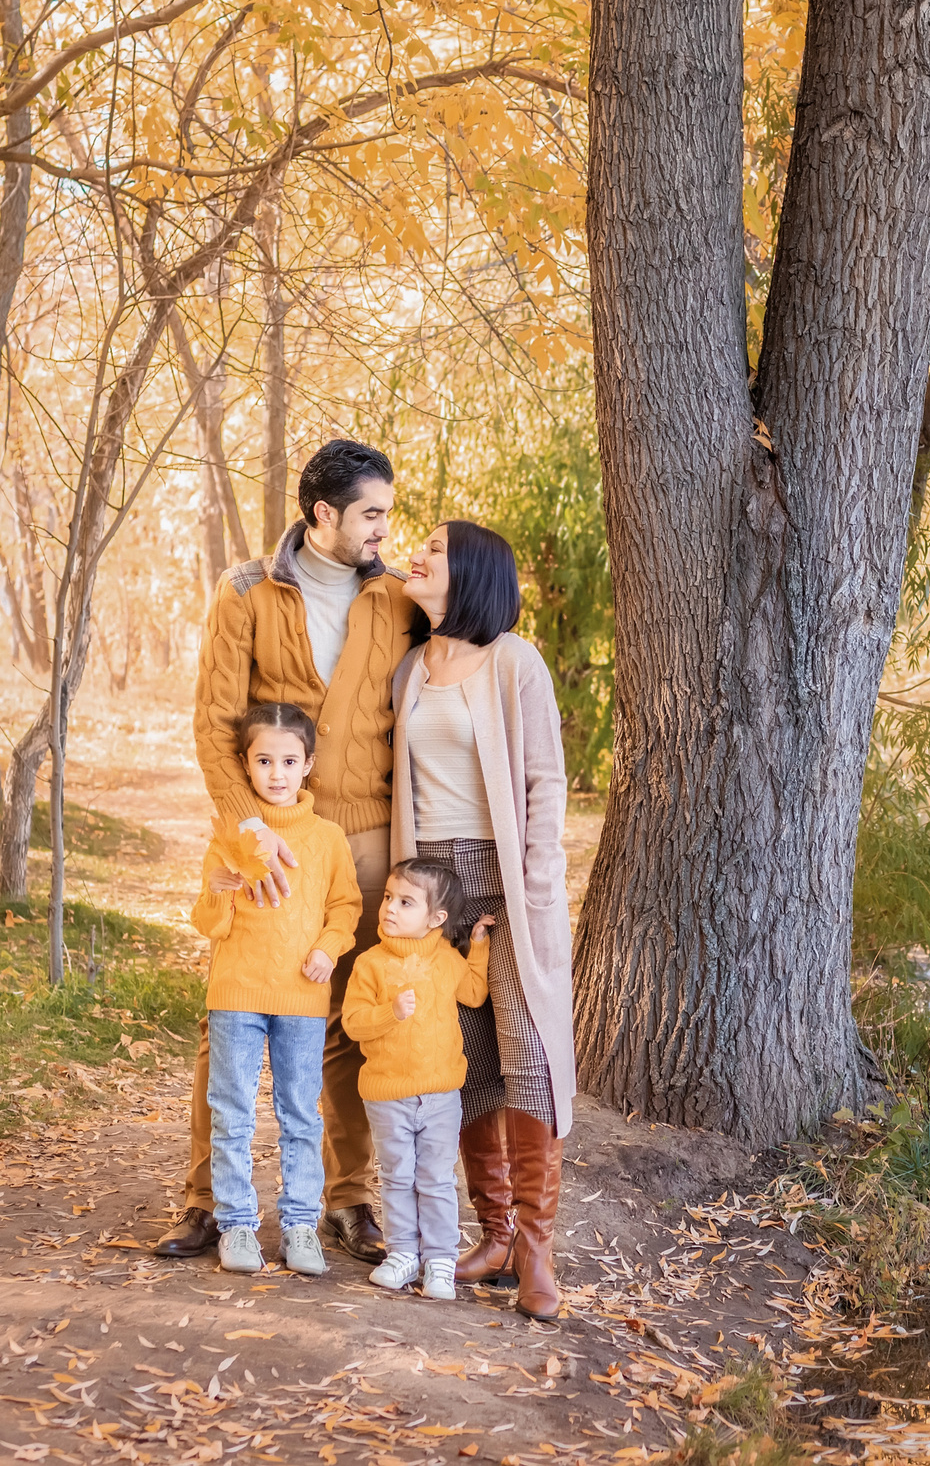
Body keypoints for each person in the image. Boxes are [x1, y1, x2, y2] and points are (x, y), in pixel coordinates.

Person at [158, 440, 413, 1266]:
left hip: (366, 837)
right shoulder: (246, 592)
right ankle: (206, 1201)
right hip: (267, 837)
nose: (384, 527)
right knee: (230, 1014)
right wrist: (248, 832)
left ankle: (348, 1199)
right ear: (323, 514)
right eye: (371, 512)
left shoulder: (401, 600)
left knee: (346, 1017)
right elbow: (213, 722)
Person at [390, 519, 577, 1322]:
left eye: (434, 547)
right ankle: (494, 1233)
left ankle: (536, 1245)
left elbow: (545, 781)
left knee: (528, 1056)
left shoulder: (514, 660)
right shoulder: (411, 670)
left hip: (505, 884)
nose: (417, 554)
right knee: (462, 1061)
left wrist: (533, 888)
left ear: (469, 570)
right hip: (435, 887)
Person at [189, 703, 363, 1276]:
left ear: (309, 764)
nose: (277, 773)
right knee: (232, 1111)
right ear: (246, 764)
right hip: (237, 993)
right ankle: (236, 1226)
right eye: (264, 761)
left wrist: (327, 949)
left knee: (300, 1116)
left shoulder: (327, 839)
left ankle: (299, 1227)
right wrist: (217, 889)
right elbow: (208, 922)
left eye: (289, 760)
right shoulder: (231, 836)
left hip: (303, 1000)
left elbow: (346, 907)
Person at [339, 859, 494, 1300]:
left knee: (436, 1179)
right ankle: (403, 1252)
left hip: (441, 1092)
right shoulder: (370, 964)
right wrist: (391, 1013)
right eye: (389, 897)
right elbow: (352, 1022)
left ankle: (441, 1260)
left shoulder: (447, 961)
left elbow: (475, 992)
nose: (389, 908)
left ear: (436, 919)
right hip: (387, 1094)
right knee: (396, 1176)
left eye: (406, 902)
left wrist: (477, 947)